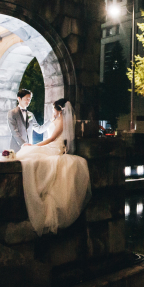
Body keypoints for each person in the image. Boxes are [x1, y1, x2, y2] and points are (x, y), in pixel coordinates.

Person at [14, 98, 91, 235]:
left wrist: (35, 145)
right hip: (51, 146)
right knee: (28, 154)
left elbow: (51, 138)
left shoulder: (62, 121)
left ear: (59, 110)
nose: (52, 111)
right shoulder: (56, 119)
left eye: (53, 109)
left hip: (55, 147)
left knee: (30, 153)